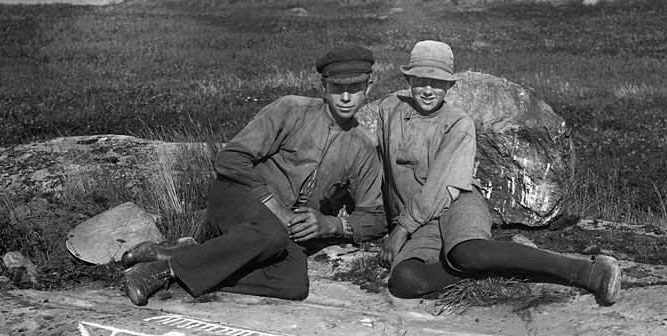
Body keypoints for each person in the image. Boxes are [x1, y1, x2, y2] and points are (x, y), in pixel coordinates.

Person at [121, 45, 386, 306]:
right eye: (338, 88)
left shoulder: (362, 148)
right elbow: (230, 158)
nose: (346, 97)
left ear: (369, 88)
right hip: (237, 198)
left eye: (355, 88)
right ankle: (157, 272)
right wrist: (274, 206)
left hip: (283, 231)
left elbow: (375, 216)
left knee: (292, 285)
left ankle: (190, 259)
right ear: (323, 87)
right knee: (272, 234)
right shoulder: (291, 110)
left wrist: (331, 225)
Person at [377, 40, 621, 305]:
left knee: (467, 254)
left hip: (454, 202)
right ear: (408, 79)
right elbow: (381, 172)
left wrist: (401, 229)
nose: (427, 90)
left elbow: (440, 187)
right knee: (405, 280)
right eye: (420, 80)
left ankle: (587, 270)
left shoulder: (458, 124)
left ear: (450, 85)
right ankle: (505, 259)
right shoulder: (389, 112)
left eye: (437, 82)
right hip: (421, 221)